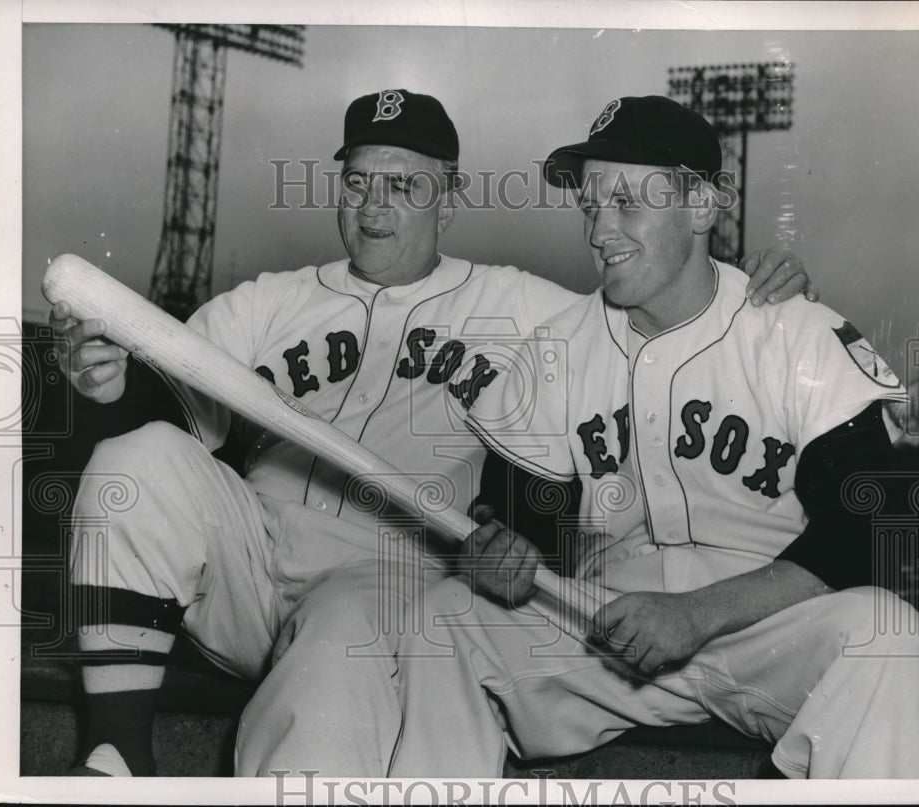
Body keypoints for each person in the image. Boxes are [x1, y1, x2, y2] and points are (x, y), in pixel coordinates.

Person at [49, 89, 813, 777]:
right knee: (135, 455)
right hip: (246, 560)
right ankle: (116, 753)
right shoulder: (266, 302)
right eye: (358, 182)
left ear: (449, 199)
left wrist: (754, 294)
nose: (374, 206)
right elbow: (164, 412)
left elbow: (664, 320)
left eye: (404, 185)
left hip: (394, 571)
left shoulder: (526, 307)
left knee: (340, 647)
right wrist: (106, 385)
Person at [386, 96, 919, 779]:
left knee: (889, 639)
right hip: (606, 626)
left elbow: (878, 518)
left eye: (626, 202)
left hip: (769, 628)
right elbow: (522, 519)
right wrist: (502, 552)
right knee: (444, 618)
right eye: (590, 205)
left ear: (703, 207)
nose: (600, 230)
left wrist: (698, 614)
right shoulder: (556, 349)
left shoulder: (791, 330)